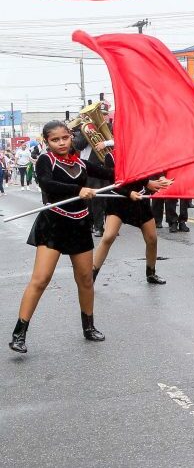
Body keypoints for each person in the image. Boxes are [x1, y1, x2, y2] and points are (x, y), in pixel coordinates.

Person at [9, 121, 118, 353]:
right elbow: (47, 183)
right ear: (47, 141)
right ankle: (19, 333)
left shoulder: (81, 163)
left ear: (71, 137)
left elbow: (112, 175)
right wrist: (77, 190)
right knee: (41, 279)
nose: (61, 143)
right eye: (55, 140)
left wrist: (143, 181)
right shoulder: (45, 161)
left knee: (86, 279)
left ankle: (88, 327)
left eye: (64, 138)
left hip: (79, 224)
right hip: (53, 224)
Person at [92, 156, 170, 285]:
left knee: (152, 239)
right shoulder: (111, 156)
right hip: (118, 200)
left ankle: (151, 273)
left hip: (140, 199)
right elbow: (114, 183)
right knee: (108, 237)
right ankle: (91, 275)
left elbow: (153, 169)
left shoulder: (141, 154)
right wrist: (130, 193)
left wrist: (160, 177)